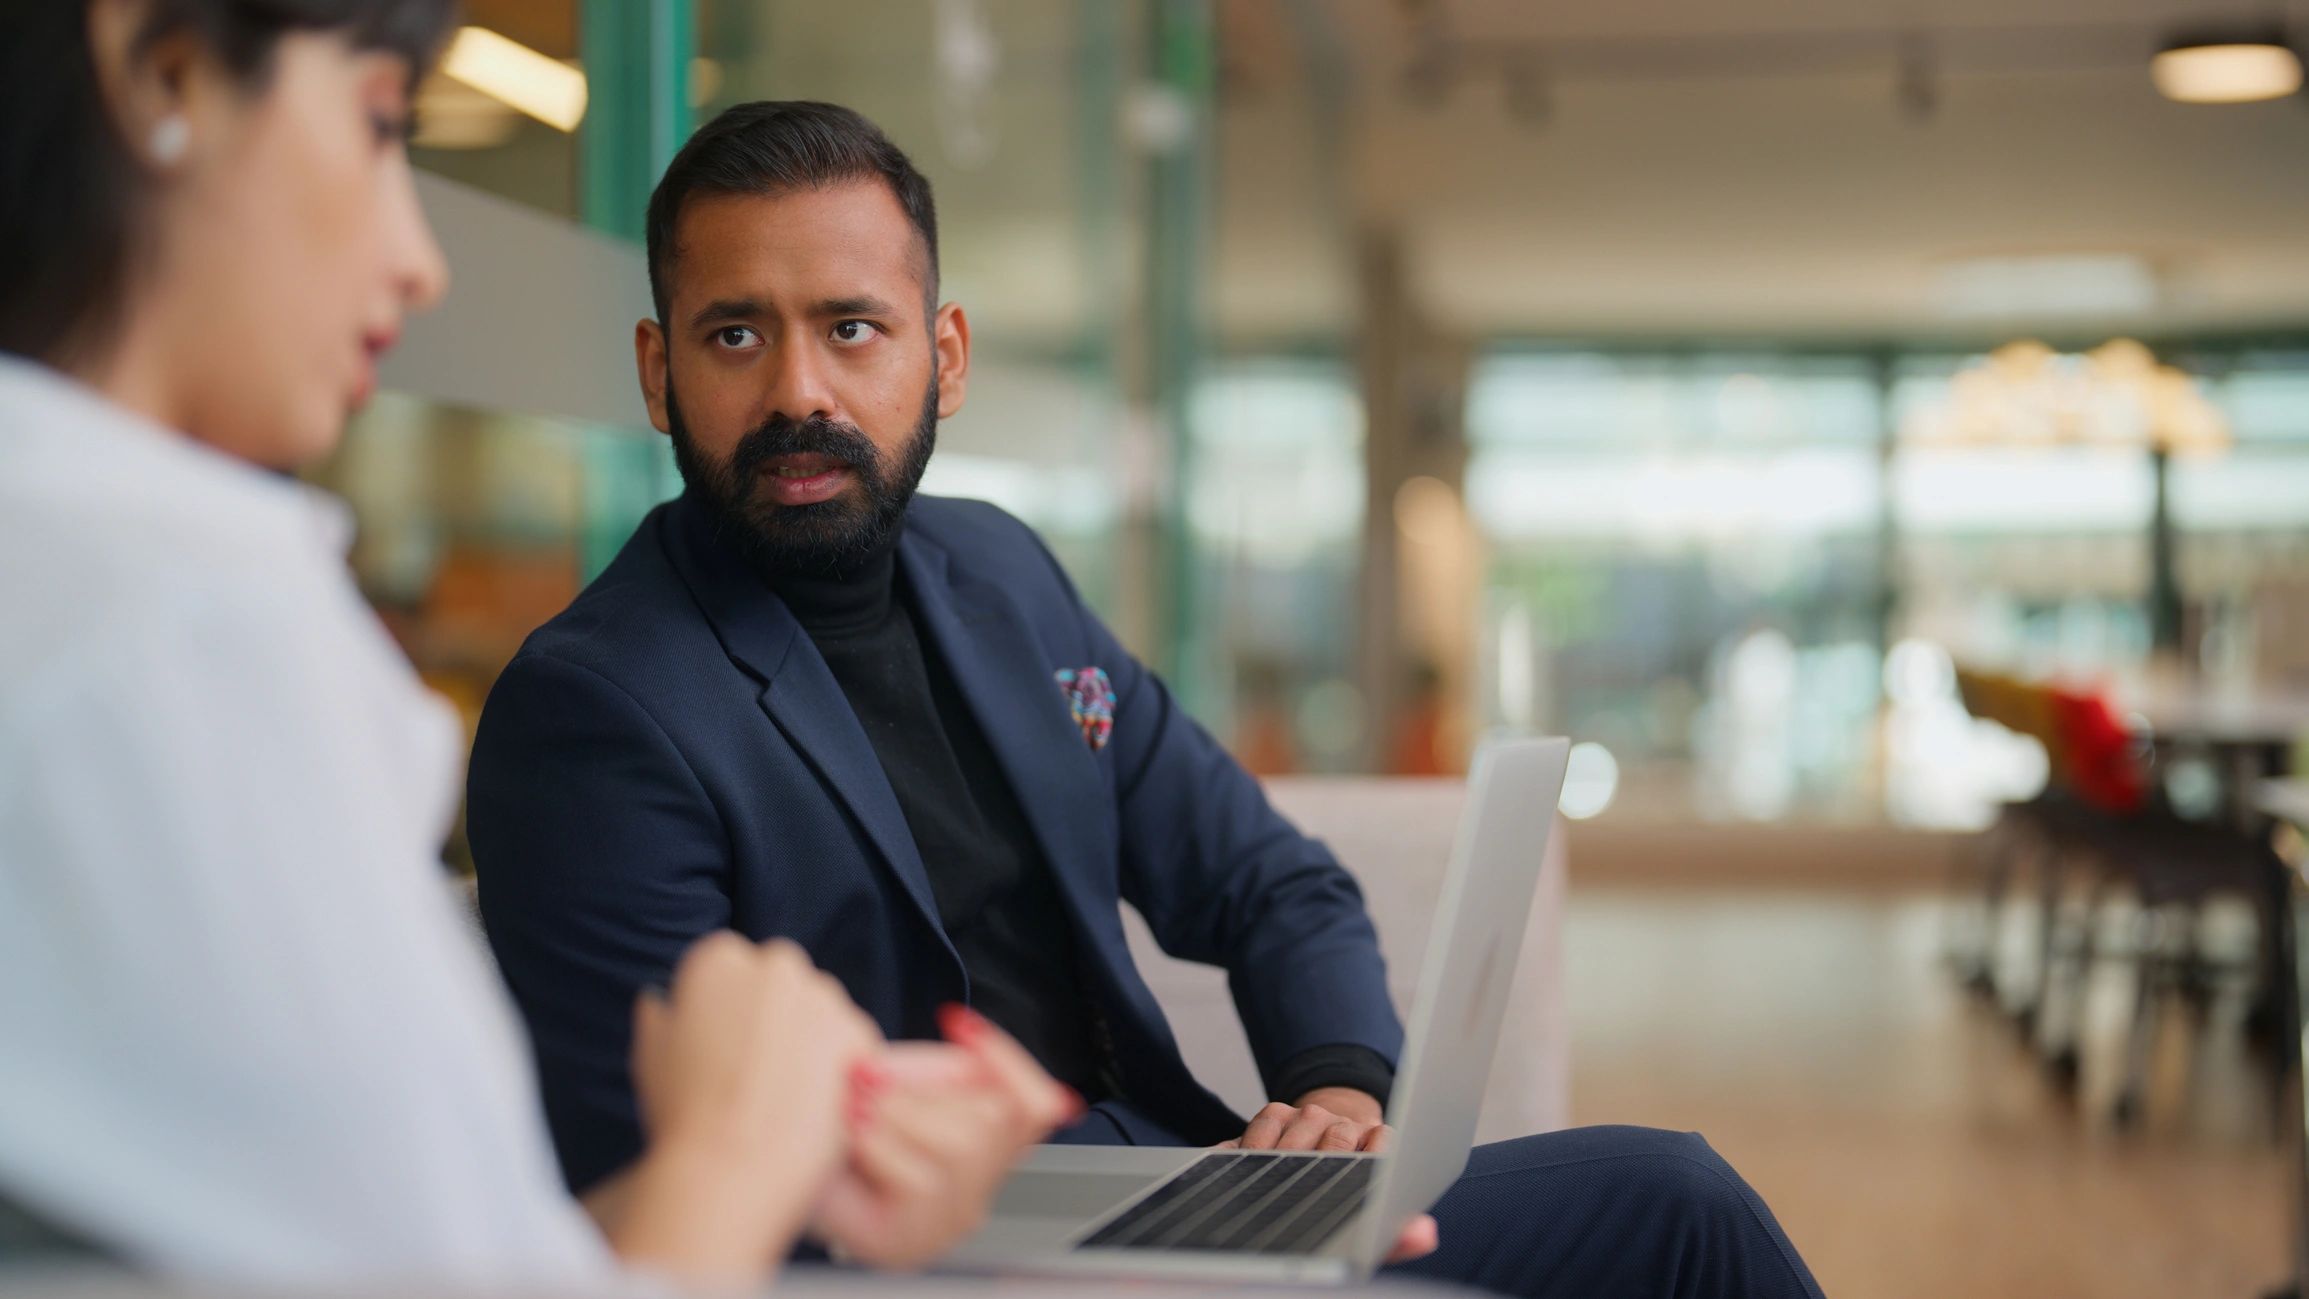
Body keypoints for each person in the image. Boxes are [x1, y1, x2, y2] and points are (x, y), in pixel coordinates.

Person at [467, 100, 1827, 1299]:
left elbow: (1266, 880)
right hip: (950, 1259)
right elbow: (657, 1175)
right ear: (659, 372)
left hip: (1181, 1189)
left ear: (943, 354)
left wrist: (1340, 1094)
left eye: (850, 327)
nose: (797, 390)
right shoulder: (595, 711)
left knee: (1675, 1202)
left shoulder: (998, 572)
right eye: (735, 333)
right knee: (1671, 1213)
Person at [0, 4, 1071, 1289]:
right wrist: (736, 1153)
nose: (418, 262)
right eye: (380, 124)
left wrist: (769, 1174)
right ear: (162, 70)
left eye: (851, 328)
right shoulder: (159, 620)